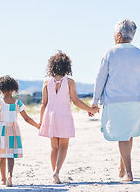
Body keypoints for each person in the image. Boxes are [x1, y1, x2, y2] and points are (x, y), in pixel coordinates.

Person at [92, 19, 140, 182]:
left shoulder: (110, 53)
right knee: (128, 134)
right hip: (137, 101)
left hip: (115, 101)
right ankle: (121, 169)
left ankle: (129, 173)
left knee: (122, 136)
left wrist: (95, 101)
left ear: (119, 35)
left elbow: (100, 79)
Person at [39, 51, 100, 184]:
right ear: (67, 67)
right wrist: (91, 109)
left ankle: (54, 173)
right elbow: (76, 101)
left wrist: (41, 121)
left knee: (54, 147)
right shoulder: (70, 82)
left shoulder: (46, 82)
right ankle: (57, 171)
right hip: (64, 115)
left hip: (50, 116)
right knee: (64, 146)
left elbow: (44, 104)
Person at [0, 75, 40, 187]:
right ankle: (9, 175)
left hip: (1, 130)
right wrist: (37, 125)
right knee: (10, 155)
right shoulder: (18, 103)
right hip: (13, 130)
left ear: (0, 90)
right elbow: (27, 118)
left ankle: (3, 179)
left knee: (2, 156)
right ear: (13, 90)